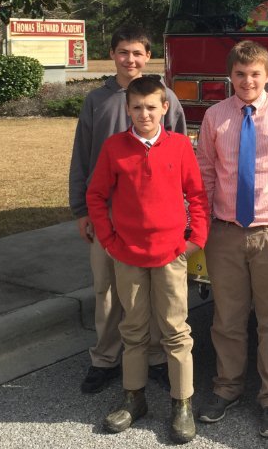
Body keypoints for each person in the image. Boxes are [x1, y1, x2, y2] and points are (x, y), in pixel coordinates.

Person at [195, 40, 268, 439]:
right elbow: (206, 172)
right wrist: (203, 223)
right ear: (231, 75)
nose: (247, 81)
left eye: (255, 74)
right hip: (226, 234)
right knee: (226, 320)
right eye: (240, 74)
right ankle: (226, 388)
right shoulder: (215, 117)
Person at [86, 76, 209, 443]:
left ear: (164, 108)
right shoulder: (114, 148)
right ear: (128, 109)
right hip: (129, 256)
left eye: (151, 107)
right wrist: (109, 240)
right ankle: (133, 398)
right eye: (137, 107)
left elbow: (198, 196)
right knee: (134, 330)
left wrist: (196, 239)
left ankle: (181, 403)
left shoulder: (180, 147)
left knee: (175, 331)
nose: (144, 114)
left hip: (171, 255)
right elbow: (96, 197)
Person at [68, 26, 186, 394]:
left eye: (137, 53)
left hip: (153, 221)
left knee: (150, 293)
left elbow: (182, 157)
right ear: (113, 54)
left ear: (148, 56)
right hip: (108, 215)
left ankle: (153, 358)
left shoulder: (166, 99)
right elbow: (82, 157)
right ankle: (105, 358)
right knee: (106, 291)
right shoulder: (97, 101)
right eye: (122, 52)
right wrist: (81, 209)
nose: (129, 59)